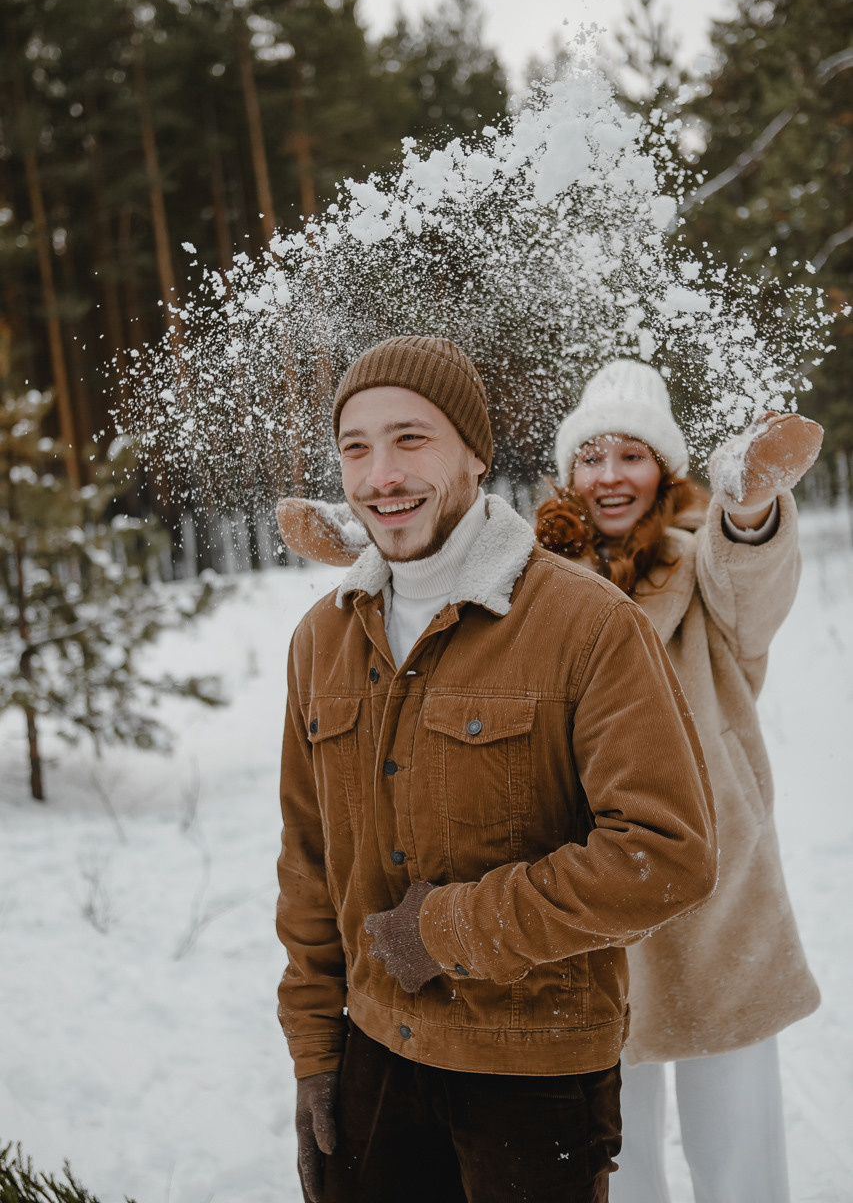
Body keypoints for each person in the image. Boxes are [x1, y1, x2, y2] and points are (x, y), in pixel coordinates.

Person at [275, 335, 717, 1203]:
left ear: (476, 455)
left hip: (533, 1075)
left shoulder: (586, 625)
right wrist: (314, 1054)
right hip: (374, 1065)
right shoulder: (322, 638)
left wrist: (446, 932)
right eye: (355, 448)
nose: (380, 475)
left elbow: (665, 856)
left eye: (410, 439)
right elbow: (309, 862)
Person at [534, 358, 822, 1203]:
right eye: (591, 457)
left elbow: (751, 587)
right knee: (611, 1150)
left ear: (662, 470)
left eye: (631, 455)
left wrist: (749, 504)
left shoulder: (705, 563)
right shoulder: (535, 582)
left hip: (716, 880)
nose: (609, 476)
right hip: (588, 875)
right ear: (569, 473)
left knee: (737, 1144)